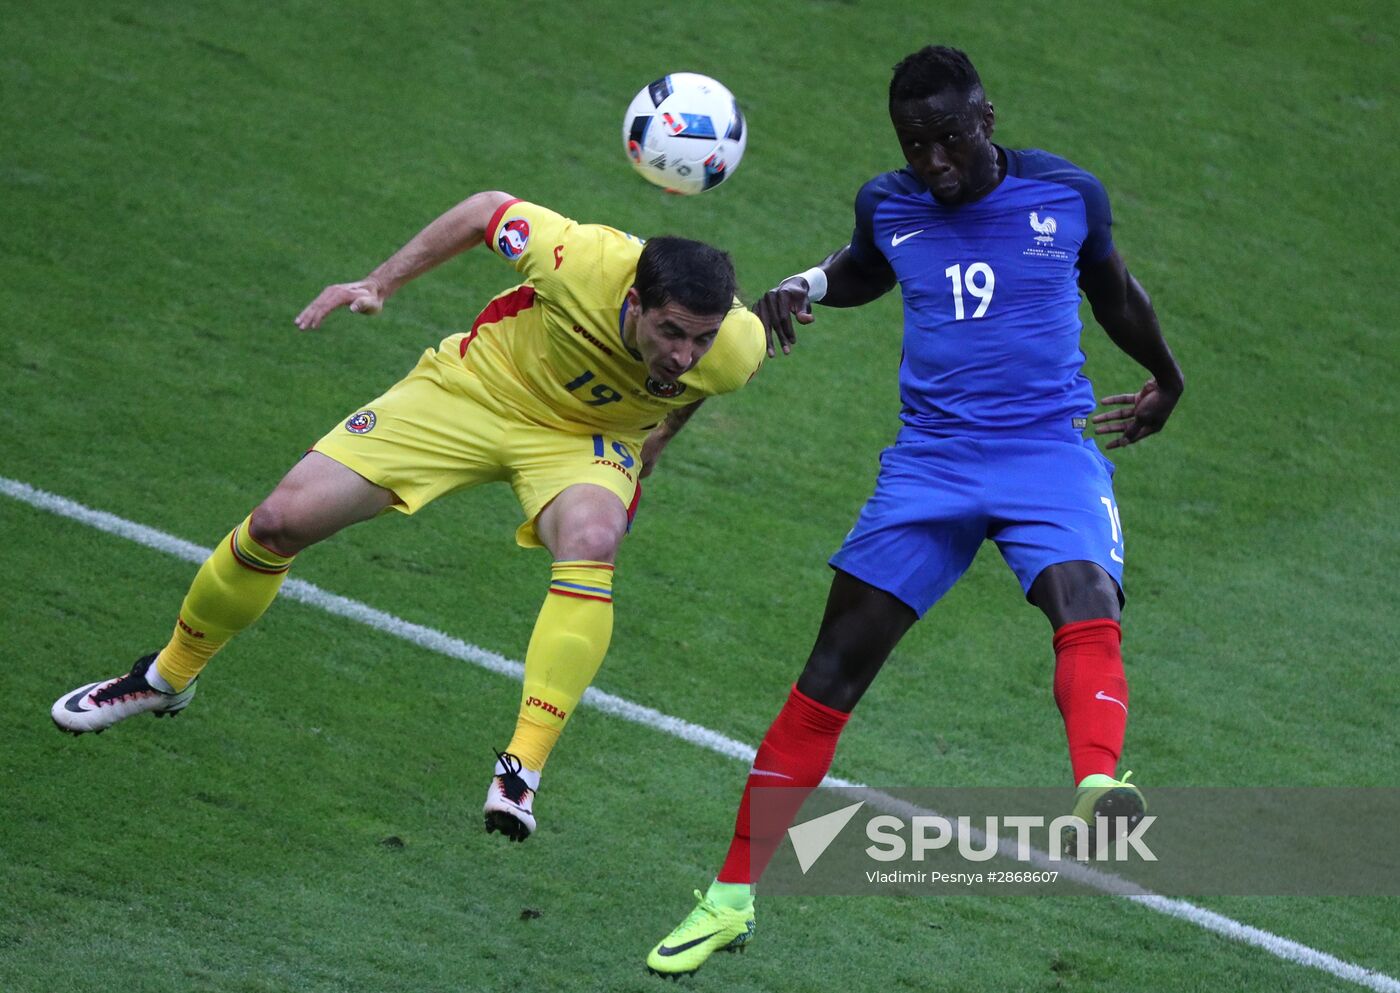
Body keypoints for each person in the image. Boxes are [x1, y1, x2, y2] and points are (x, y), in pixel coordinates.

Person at [646, 45, 1184, 976]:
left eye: (946, 141)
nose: (931, 162)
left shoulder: (1068, 196)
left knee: (1084, 599)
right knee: (829, 675)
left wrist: (1166, 378)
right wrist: (809, 287)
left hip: (1046, 452)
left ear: (986, 120)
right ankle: (729, 898)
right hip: (931, 465)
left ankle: (1097, 785)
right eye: (913, 145)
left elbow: (1116, 291)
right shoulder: (888, 201)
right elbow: (867, 266)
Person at [51, 191, 767, 843]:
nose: (683, 355)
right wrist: (379, 282)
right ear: (635, 300)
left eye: (700, 339)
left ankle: (522, 767)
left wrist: (659, 438)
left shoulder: (733, 351)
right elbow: (486, 210)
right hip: (474, 392)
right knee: (278, 520)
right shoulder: (574, 256)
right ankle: (168, 677)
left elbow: (699, 383)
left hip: (582, 444)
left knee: (593, 539)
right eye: (671, 331)